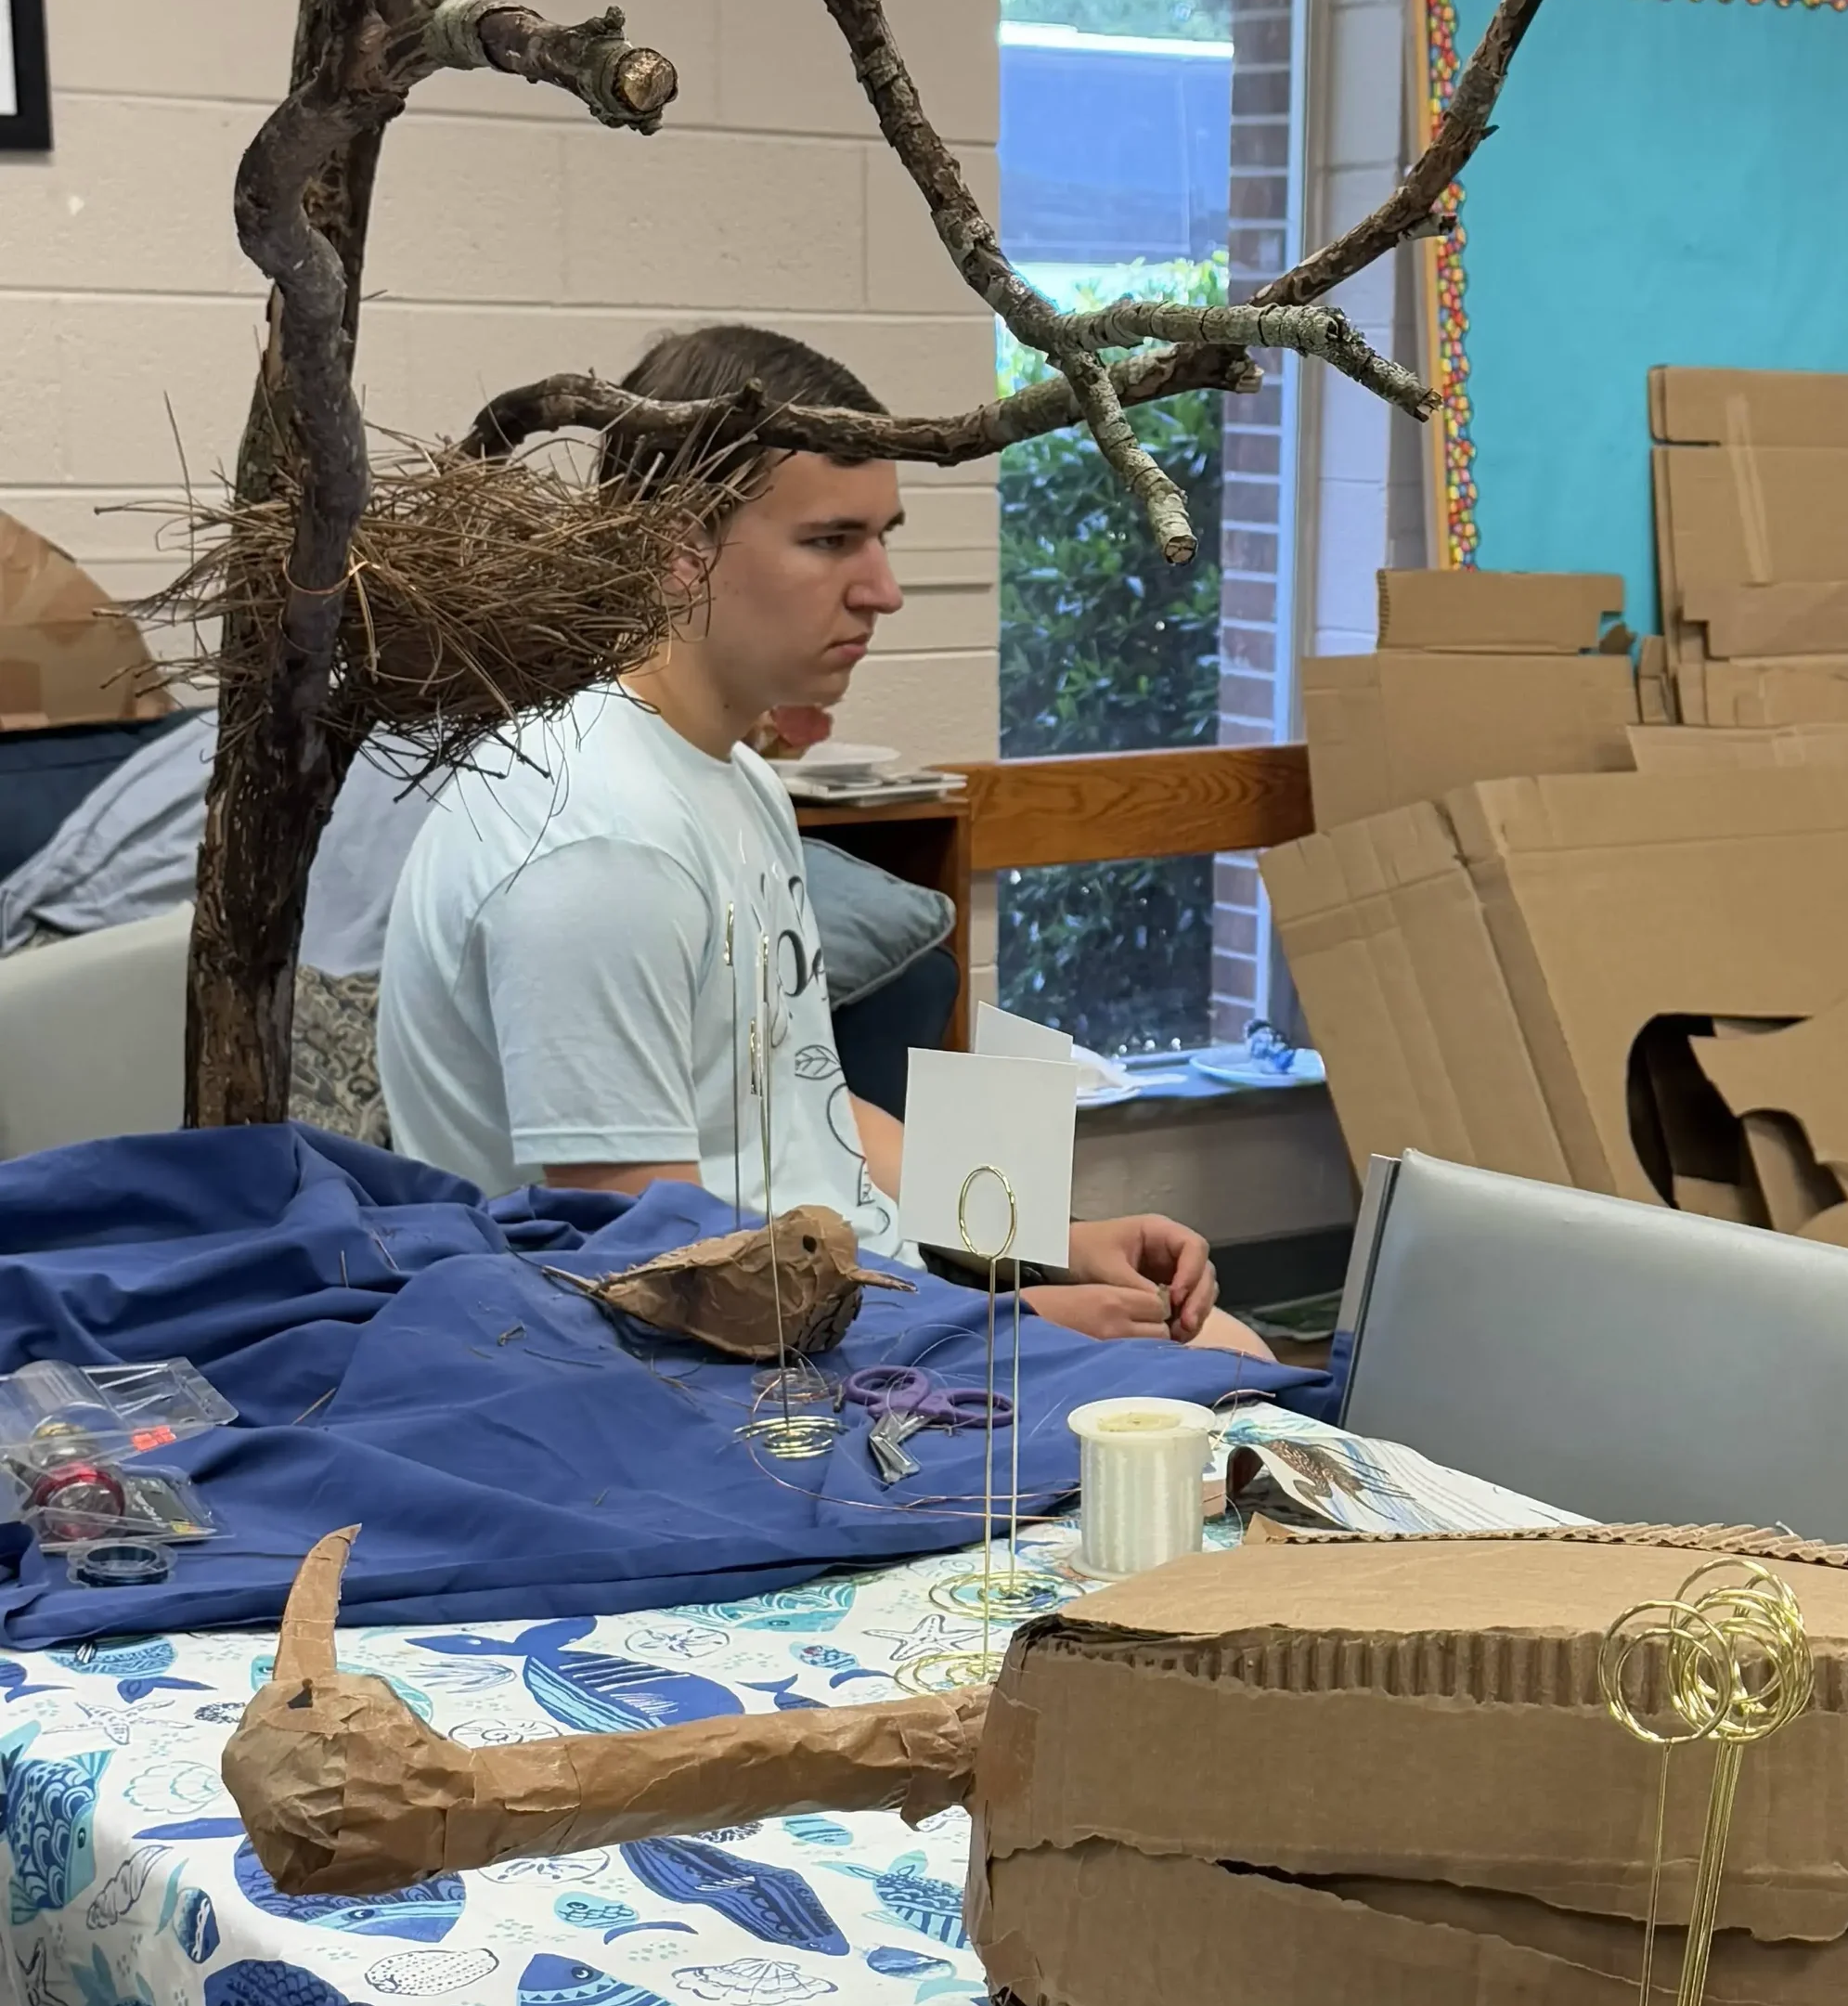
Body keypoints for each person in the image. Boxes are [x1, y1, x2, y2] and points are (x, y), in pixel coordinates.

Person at [379, 322, 1268, 1353]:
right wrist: (991, 1319)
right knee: (1238, 1385)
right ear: (678, 552)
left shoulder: (734, 777)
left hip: (842, 1317)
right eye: (831, 541)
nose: (882, 590)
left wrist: (1050, 1237)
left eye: (881, 536)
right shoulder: (595, 841)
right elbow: (638, 1266)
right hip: (696, 1372)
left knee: (1231, 1358)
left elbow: (805, 1110)